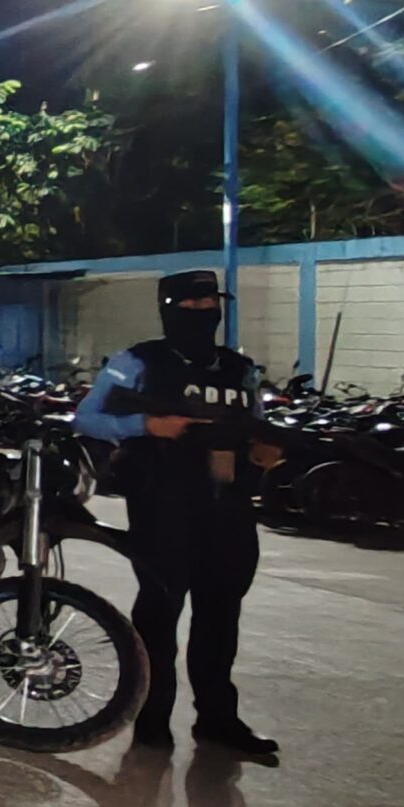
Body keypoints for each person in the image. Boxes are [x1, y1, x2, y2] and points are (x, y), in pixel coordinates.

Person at [73, 270, 281, 757]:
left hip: (227, 507)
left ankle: (218, 719)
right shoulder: (136, 363)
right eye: (191, 306)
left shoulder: (239, 369)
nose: (204, 313)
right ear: (169, 310)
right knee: (159, 614)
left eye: (210, 304)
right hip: (161, 505)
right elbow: (87, 418)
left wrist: (264, 452)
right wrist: (147, 425)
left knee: (221, 616)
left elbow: (256, 424)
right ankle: (151, 718)